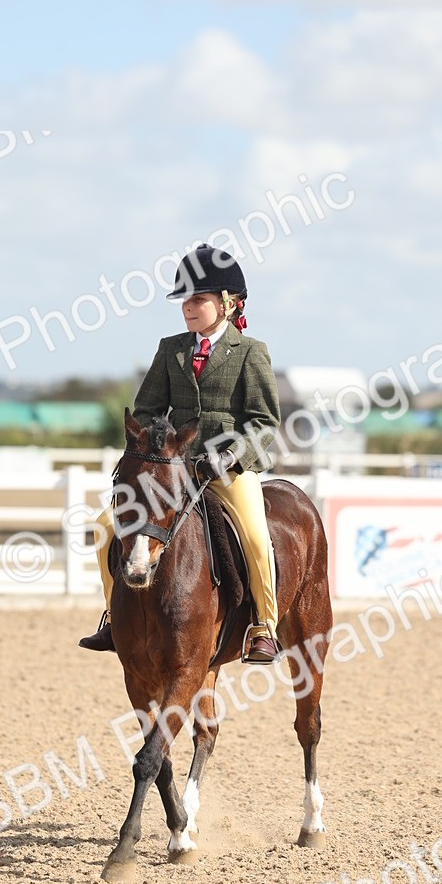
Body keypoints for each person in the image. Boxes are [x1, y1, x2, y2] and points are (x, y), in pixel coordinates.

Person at [79, 243, 282, 663]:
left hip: (227, 469)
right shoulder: (170, 348)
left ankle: (264, 626)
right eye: (184, 300)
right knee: (104, 527)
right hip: (174, 469)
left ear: (228, 304)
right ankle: (114, 619)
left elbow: (264, 422)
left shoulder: (250, 353)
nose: (188, 307)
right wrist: (159, 444)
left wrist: (229, 457)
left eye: (198, 299)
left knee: (257, 539)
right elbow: (149, 409)